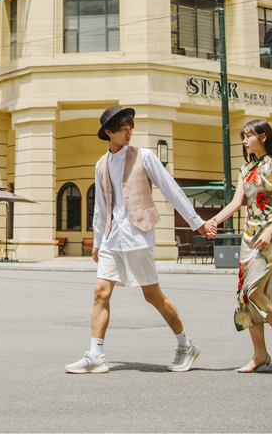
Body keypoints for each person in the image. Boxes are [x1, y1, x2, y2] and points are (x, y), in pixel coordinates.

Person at [64, 105, 209, 374]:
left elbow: (171, 189)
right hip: (111, 238)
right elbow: (101, 207)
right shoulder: (101, 164)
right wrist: (97, 241)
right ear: (109, 132)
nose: (129, 133)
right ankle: (95, 355)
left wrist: (197, 223)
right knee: (100, 292)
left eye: (131, 128)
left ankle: (186, 345)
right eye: (123, 129)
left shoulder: (146, 156)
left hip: (137, 236)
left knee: (152, 295)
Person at [204, 119, 272, 373]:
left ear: (263, 137)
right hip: (249, 238)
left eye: (249, 136)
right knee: (247, 296)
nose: (244, 140)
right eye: (243, 136)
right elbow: (236, 203)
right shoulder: (245, 169)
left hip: (270, 236)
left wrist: (270, 231)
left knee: (255, 291)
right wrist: (212, 221)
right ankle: (259, 354)